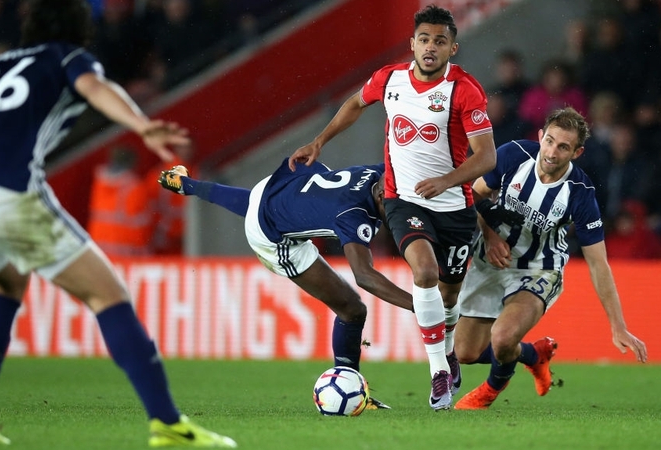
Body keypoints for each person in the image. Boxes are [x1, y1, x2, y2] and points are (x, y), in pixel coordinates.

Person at [0, 0, 236, 447]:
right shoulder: (67, 56)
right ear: (77, 29)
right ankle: (168, 424)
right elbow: (95, 87)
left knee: (7, 282)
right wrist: (141, 125)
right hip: (4, 194)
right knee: (109, 294)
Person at [288, 4, 497, 410]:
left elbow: (485, 157)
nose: (430, 47)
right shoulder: (390, 78)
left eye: (440, 41)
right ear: (412, 44)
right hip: (402, 199)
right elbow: (353, 103)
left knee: (449, 297)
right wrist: (319, 141)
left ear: (453, 47)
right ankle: (438, 372)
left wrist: (446, 181)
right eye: (424, 39)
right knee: (424, 271)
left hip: (454, 206)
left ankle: (448, 352)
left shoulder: (465, 90)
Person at [158, 159, 414, 408]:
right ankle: (347, 385)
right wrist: (421, 306)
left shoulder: (381, 172)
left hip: (281, 186)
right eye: (398, 206)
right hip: (273, 239)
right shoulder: (353, 214)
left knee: (260, 202)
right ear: (381, 196)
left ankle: (185, 184)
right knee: (352, 309)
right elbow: (364, 276)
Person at [453, 107, 648, 410]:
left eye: (564, 147)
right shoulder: (513, 155)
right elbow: (473, 197)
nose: (553, 152)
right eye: (550, 141)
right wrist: (490, 236)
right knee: (464, 352)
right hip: (492, 259)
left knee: (503, 339)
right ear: (540, 136)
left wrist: (617, 325)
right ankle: (533, 354)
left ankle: (488, 393)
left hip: (539, 270)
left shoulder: (580, 193)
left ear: (577, 152)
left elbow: (598, 264)